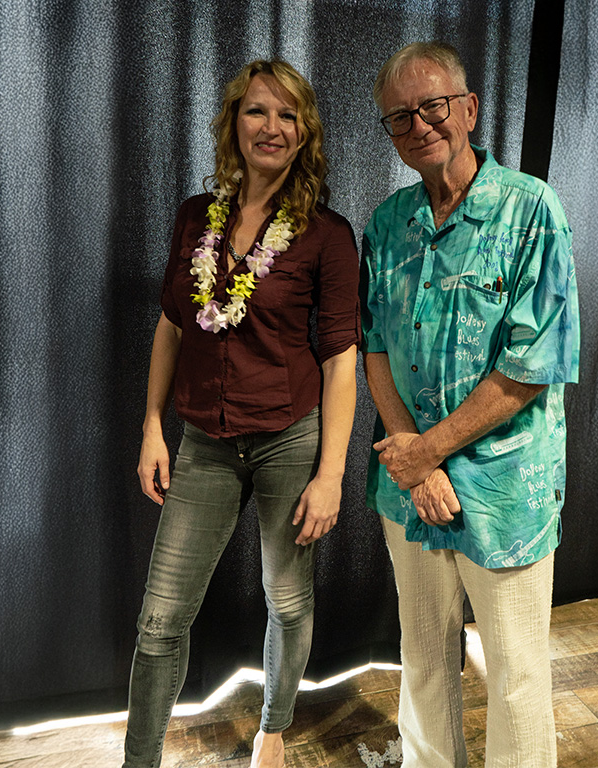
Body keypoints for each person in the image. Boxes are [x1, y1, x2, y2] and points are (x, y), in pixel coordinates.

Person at [123, 59, 359, 768]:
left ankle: (275, 726)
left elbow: (342, 358)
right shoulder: (197, 218)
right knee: (161, 621)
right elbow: (172, 324)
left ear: (304, 132)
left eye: (288, 115)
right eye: (258, 111)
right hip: (203, 440)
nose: (272, 127)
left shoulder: (326, 234)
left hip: (291, 437)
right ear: (234, 122)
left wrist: (332, 475)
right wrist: (151, 426)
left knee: (287, 601)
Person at [360, 42, 579, 768]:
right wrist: (414, 460)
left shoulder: (531, 211)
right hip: (412, 486)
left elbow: (531, 367)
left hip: (505, 488)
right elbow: (375, 346)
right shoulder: (387, 226)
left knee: (515, 677)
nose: (419, 124)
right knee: (421, 659)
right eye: (400, 116)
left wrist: (431, 451)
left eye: (433, 106)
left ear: (469, 110)